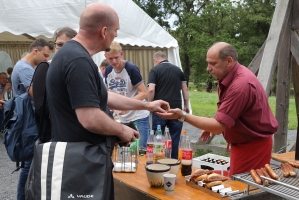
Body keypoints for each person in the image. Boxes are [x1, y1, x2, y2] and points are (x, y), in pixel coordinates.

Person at [46, 3, 169, 200]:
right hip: (81, 162)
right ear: (104, 31)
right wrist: (122, 130)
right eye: (115, 30)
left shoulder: (73, 55)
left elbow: (105, 96)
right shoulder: (78, 60)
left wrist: (147, 105)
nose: (116, 36)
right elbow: (90, 118)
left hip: (77, 158)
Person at [156, 42, 278, 176]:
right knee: (236, 183)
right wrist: (211, 126)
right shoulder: (228, 77)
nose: (208, 68)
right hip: (243, 144)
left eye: (213, 64)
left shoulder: (240, 86)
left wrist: (182, 116)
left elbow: (219, 126)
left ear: (229, 61)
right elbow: (227, 112)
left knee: (244, 189)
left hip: (253, 147)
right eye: (208, 63)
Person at [11, 38, 53, 200]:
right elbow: (38, 95)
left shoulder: (23, 67)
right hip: (29, 121)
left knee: (29, 162)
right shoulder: (25, 68)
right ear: (35, 51)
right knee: (29, 163)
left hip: (27, 120)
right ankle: (22, 196)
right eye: (44, 55)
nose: (45, 59)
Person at [30, 27, 77, 140]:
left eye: (68, 45)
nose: (62, 48)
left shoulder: (77, 70)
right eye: (59, 44)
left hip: (74, 133)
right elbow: (41, 108)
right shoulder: (45, 68)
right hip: (52, 135)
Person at [105, 41, 150, 150]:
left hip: (138, 116)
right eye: (110, 59)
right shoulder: (108, 70)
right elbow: (108, 92)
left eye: (116, 57)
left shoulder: (130, 68)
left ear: (121, 54)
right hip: (123, 117)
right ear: (105, 56)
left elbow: (144, 92)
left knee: (141, 149)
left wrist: (126, 106)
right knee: (125, 150)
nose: (114, 61)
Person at [147, 51, 190, 159]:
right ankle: (173, 161)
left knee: (158, 138)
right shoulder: (178, 70)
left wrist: (150, 104)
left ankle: (159, 161)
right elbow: (185, 89)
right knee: (175, 137)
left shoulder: (155, 70)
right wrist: (186, 105)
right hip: (176, 110)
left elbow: (151, 90)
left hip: (159, 110)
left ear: (155, 60)